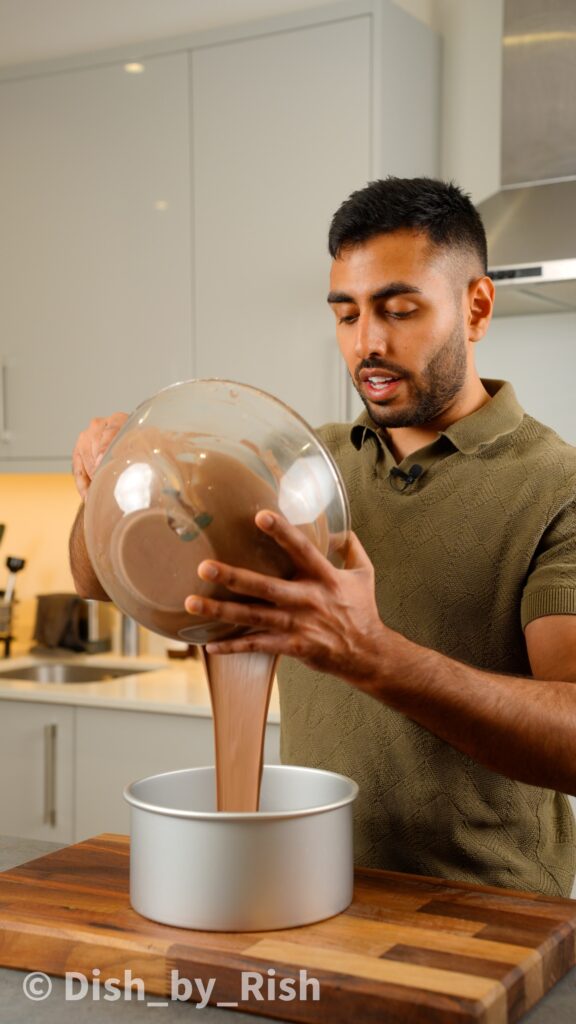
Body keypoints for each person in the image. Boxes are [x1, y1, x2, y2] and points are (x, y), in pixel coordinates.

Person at [70, 177, 576, 897]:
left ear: (477, 307)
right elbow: (100, 580)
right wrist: (111, 476)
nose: (368, 343)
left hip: (490, 918)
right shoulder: (301, 462)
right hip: (310, 888)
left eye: (399, 311)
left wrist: (375, 657)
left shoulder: (559, 487)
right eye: (346, 315)